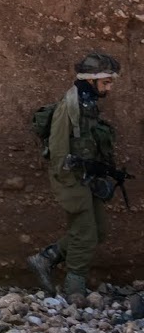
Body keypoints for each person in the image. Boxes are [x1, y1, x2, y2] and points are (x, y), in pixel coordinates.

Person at [27, 52, 123, 300]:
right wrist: (71, 184)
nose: (109, 87)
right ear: (91, 80)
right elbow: (59, 150)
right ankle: (75, 289)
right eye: (106, 82)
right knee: (84, 233)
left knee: (98, 231)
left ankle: (45, 258)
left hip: (85, 178)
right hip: (71, 178)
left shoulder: (88, 103)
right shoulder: (70, 105)